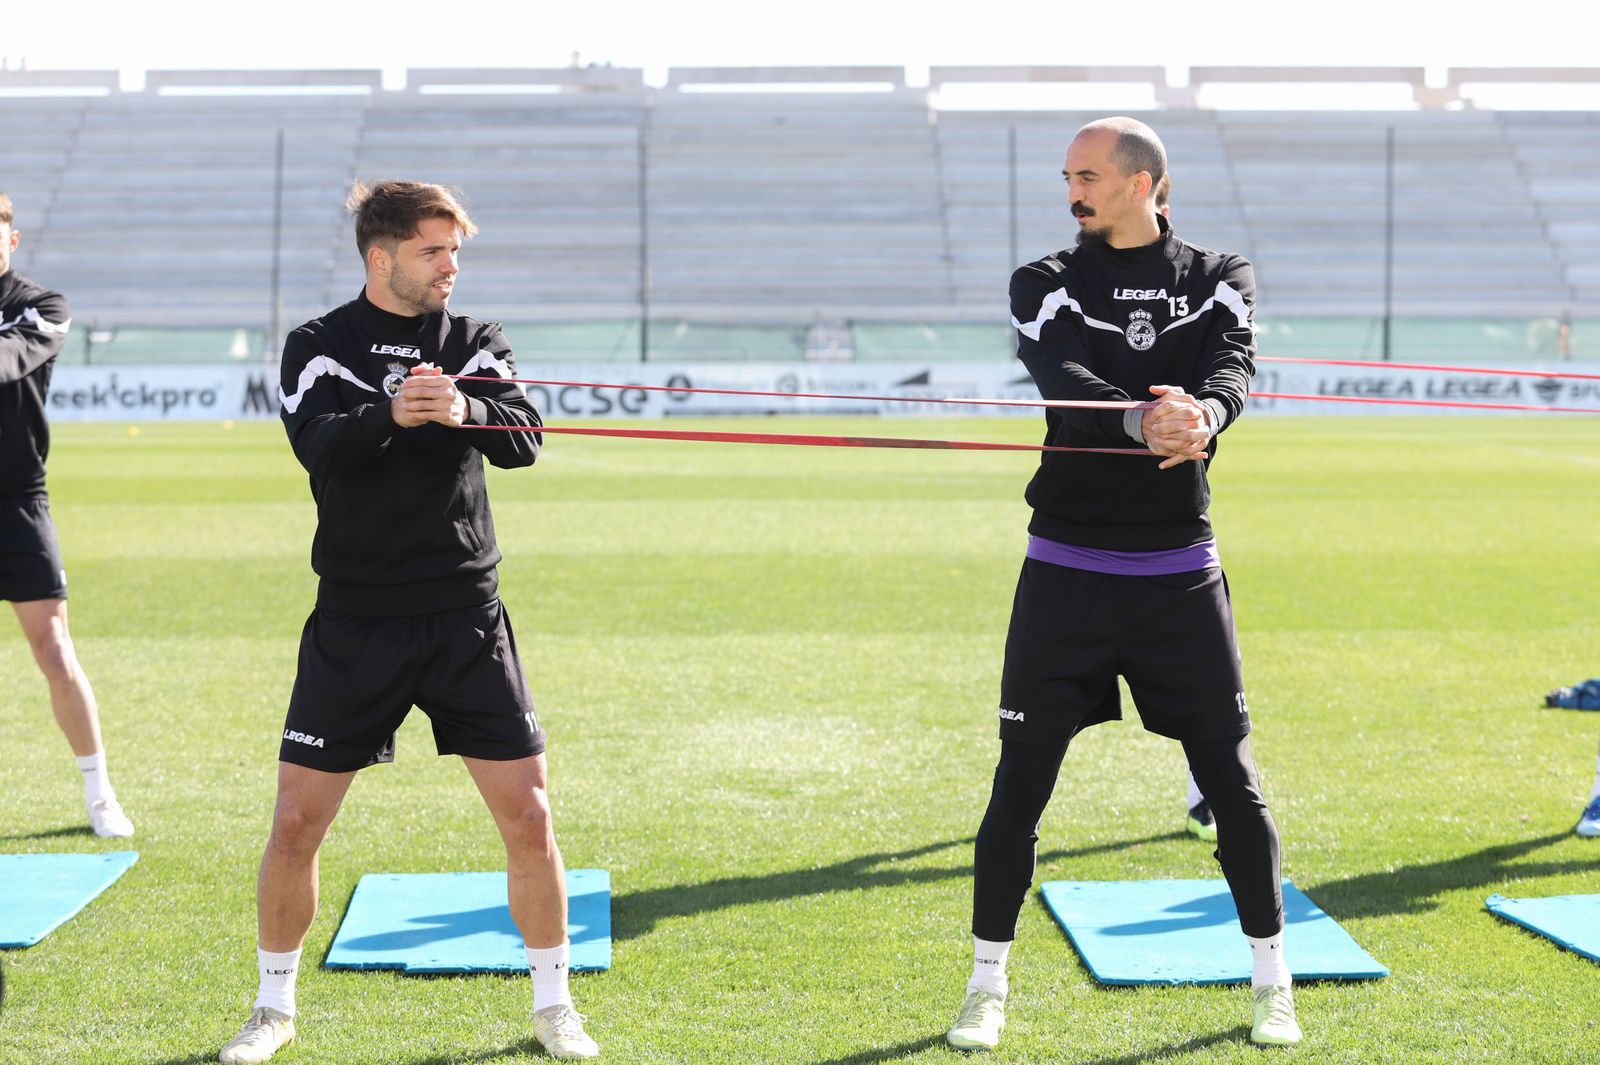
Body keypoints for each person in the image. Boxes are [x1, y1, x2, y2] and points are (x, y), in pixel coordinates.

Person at [220, 181, 597, 1063]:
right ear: (380, 255)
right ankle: (273, 1009)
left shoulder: (474, 341)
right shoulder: (319, 344)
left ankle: (554, 1004)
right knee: (296, 822)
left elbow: (526, 435)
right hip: (357, 620)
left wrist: (466, 409)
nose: (450, 268)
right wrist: (388, 415)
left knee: (530, 814)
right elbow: (315, 443)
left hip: (467, 615)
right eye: (434, 252)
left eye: (454, 252)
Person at [945, 118, 1300, 1052]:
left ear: (1145, 182)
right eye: (1069, 175)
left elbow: (1233, 366)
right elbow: (1058, 373)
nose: (1074, 190)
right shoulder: (1044, 279)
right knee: (1020, 782)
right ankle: (986, 985)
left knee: (1232, 779)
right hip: (1064, 567)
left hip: (1178, 569)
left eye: (1090, 174)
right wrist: (1144, 421)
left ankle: (1273, 981)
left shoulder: (1220, 273)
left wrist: (1206, 414)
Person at [0, 191, 134, 840]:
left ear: (12, 239)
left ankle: (99, 790)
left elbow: (12, 360)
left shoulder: (40, 306)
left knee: (53, 647)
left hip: (18, 497)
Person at [1153, 172, 1219, 846]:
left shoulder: (1199, 290)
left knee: (1200, 675)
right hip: (1080, 527)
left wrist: (1198, 413)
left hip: (1176, 528)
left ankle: (1209, 790)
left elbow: (1226, 373)